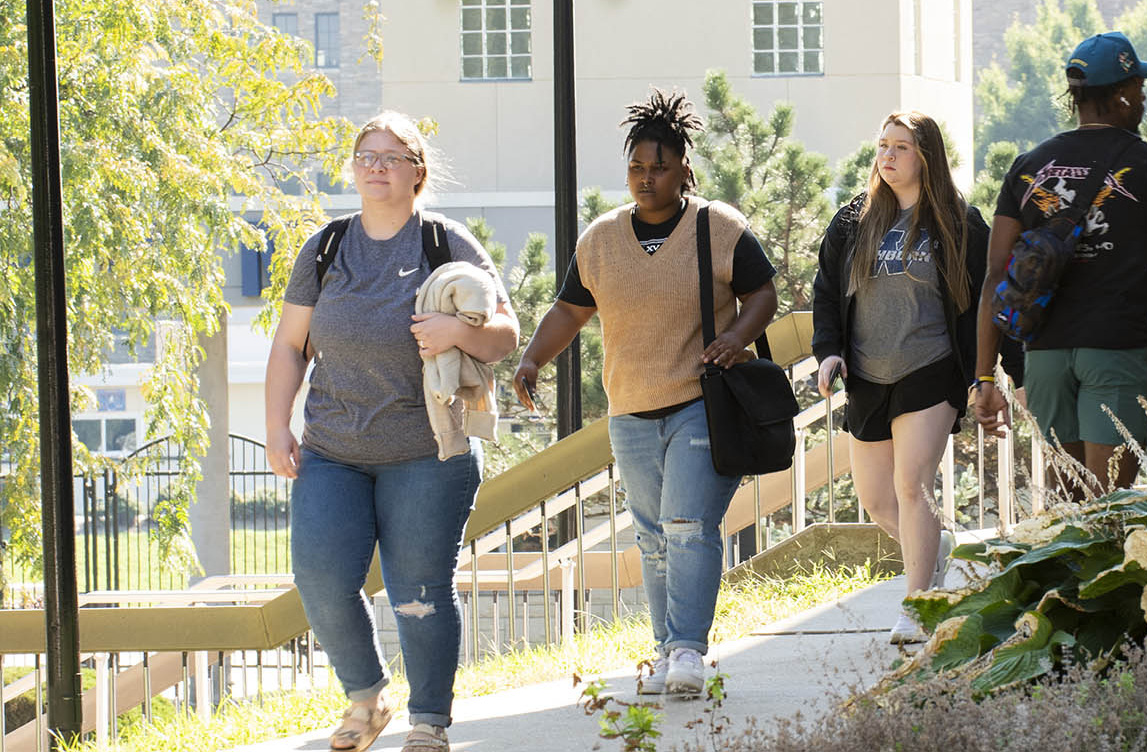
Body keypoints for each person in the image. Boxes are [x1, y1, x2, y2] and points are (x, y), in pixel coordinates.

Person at [266, 111, 519, 752]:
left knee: (419, 590)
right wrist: (276, 427)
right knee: (320, 578)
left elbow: (506, 333)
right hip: (333, 449)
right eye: (365, 156)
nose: (376, 166)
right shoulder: (326, 246)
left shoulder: (445, 243)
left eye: (391, 157)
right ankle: (367, 695)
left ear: (417, 173)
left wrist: (460, 332)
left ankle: (429, 721)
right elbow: (291, 345)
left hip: (426, 453)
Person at [512, 89, 778, 694]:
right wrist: (531, 358)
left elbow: (763, 294)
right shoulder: (601, 240)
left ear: (685, 168)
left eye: (660, 167)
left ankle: (687, 649)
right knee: (654, 539)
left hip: (698, 403)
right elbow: (571, 309)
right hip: (630, 411)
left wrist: (737, 337)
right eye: (637, 166)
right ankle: (665, 653)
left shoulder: (718, 226)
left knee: (687, 525)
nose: (646, 177)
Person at [811, 112, 1017, 643]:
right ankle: (935, 552)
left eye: (901, 147)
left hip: (929, 368)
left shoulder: (957, 221)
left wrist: (983, 376)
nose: (888, 156)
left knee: (911, 484)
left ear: (926, 157)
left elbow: (983, 302)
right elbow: (828, 293)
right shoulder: (854, 220)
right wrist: (828, 352)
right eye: (883, 145)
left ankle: (917, 607)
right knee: (878, 500)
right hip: (867, 374)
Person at [972, 31, 1147, 498]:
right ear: (1122, 95)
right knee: (1109, 505)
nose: (1143, 97)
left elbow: (997, 275)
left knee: (1069, 507)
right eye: (1138, 87)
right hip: (1115, 349)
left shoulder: (1029, 165)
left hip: (1046, 357)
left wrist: (985, 376)